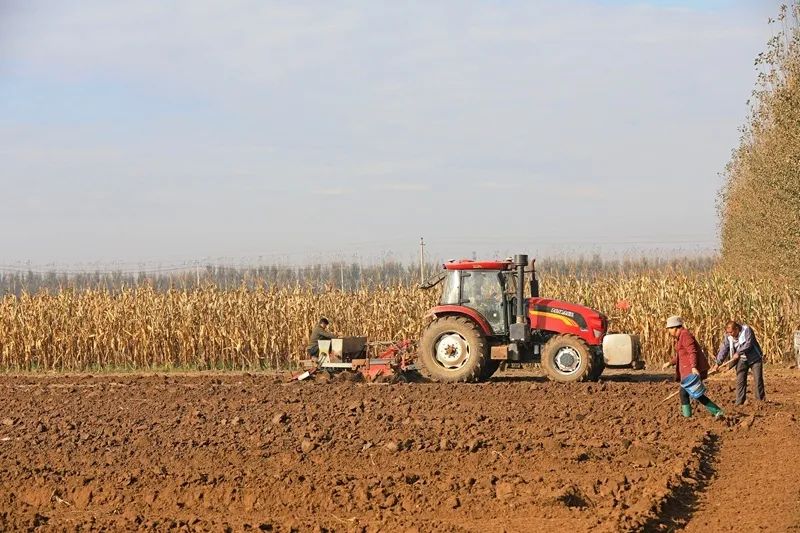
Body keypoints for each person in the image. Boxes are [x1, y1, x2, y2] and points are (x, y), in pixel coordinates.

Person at [661, 316, 724, 419]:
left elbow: (692, 351)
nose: (669, 332)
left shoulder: (685, 335)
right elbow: (681, 355)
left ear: (675, 328)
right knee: (693, 394)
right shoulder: (681, 337)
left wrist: (694, 367)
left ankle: (689, 417)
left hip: (690, 371)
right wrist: (670, 363)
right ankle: (716, 411)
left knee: (686, 393)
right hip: (687, 371)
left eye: (669, 329)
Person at [711, 321, 765, 405]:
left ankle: (760, 402)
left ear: (736, 329)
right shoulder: (728, 336)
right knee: (740, 380)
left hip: (754, 358)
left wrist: (738, 352)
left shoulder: (746, 330)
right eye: (728, 333)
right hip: (742, 360)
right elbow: (724, 349)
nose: (730, 334)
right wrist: (718, 363)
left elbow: (748, 344)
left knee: (758, 380)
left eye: (731, 332)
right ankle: (739, 402)